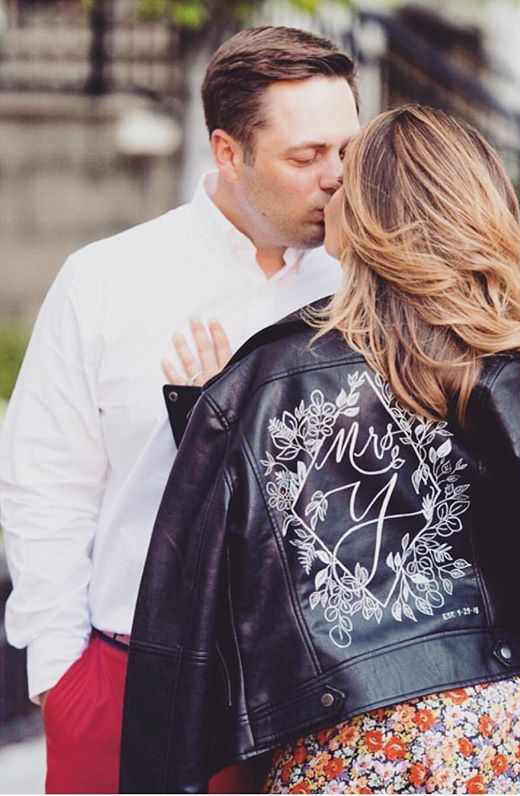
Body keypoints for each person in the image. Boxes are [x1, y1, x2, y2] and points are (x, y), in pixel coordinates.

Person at [120, 105, 520, 795]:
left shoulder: (254, 381)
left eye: (346, 182)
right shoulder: (513, 365)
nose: (330, 188)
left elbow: (188, 627)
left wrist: (207, 423)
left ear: (365, 217)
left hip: (354, 754)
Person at [0, 26, 360, 794]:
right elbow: (46, 481)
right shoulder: (105, 281)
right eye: (306, 157)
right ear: (227, 153)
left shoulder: (367, 286)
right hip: (125, 681)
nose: (336, 178)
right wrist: (60, 675)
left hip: (321, 696)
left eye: (345, 150)